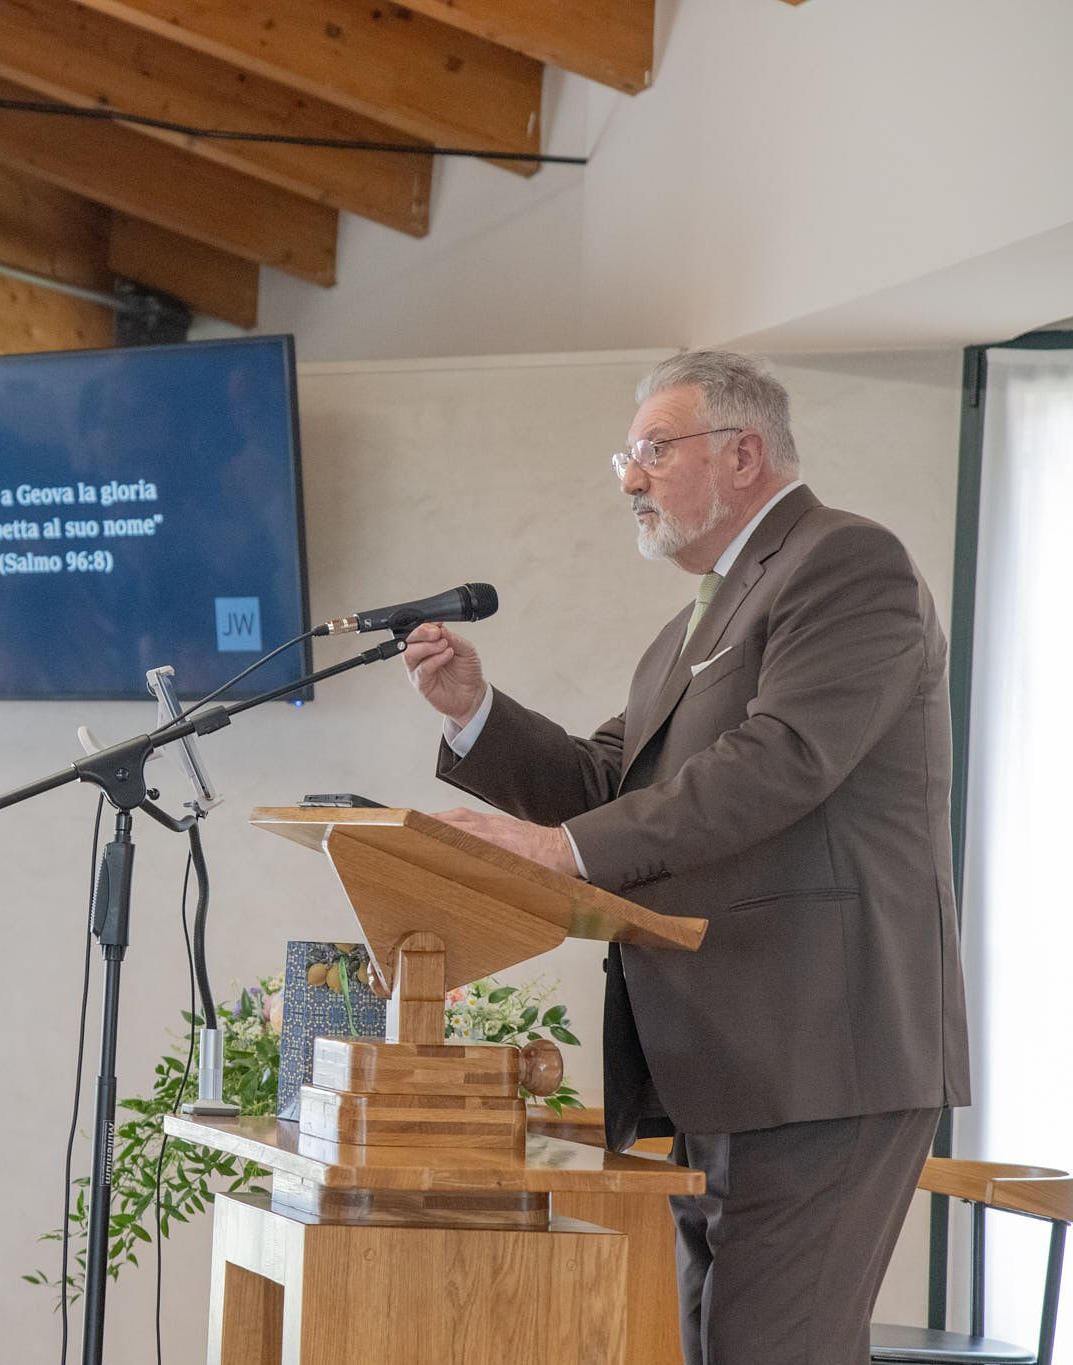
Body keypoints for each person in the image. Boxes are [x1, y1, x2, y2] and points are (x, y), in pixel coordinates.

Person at [402, 351, 970, 1365]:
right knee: (722, 1349)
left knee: (768, 1351)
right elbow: (608, 783)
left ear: (742, 453)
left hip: (819, 1042)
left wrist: (562, 852)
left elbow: (782, 762)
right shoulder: (690, 623)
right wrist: (474, 716)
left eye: (653, 450)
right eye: (626, 454)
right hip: (721, 1054)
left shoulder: (845, 563)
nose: (629, 477)